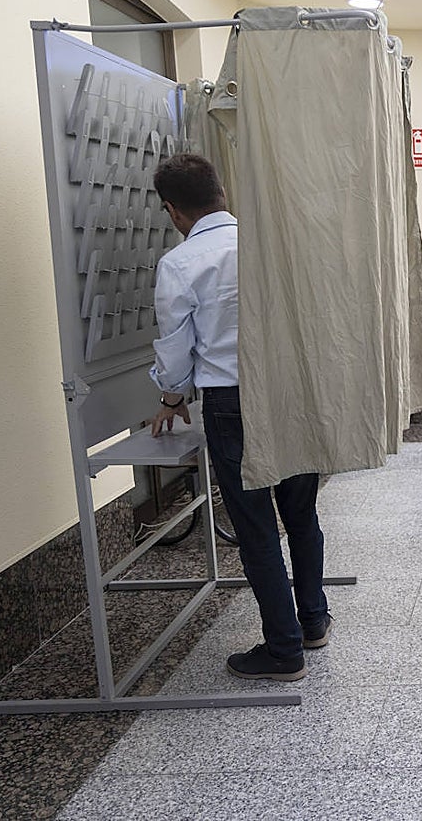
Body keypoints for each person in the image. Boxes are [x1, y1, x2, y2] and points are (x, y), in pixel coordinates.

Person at [148, 153, 331, 682]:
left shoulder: (181, 263)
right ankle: (313, 621)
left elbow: (176, 347)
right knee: (301, 513)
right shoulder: (272, 245)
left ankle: (283, 650)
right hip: (291, 392)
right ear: (221, 192)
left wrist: (172, 395)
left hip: (231, 402)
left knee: (255, 529)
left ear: (172, 210)